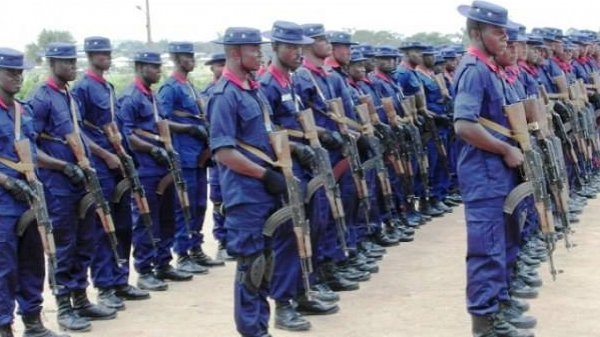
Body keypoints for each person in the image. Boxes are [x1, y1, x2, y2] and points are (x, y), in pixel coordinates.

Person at [454, 1, 533, 336]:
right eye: (497, 31)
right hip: (484, 173)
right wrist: (505, 148)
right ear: (476, 32)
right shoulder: (474, 69)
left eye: (504, 30)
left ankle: (500, 304)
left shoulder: (491, 68)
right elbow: (464, 125)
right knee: (487, 248)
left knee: (505, 242)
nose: (504, 37)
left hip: (500, 172)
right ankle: (484, 322)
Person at [30, 42, 117, 332]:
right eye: (65, 62)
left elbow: (78, 136)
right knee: (64, 244)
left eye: (73, 61)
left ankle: (80, 297)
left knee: (87, 239)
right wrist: (62, 166)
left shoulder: (68, 95)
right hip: (58, 185)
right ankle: (64, 305)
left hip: (81, 180)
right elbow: (30, 148)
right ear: (52, 63)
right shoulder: (41, 98)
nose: (72, 66)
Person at [260, 20, 340, 332]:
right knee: (289, 236)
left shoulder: (289, 80)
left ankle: (303, 290)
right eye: (291, 47)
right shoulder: (268, 83)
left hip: (304, 164)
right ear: (276, 48)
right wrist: (294, 147)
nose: (297, 52)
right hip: (285, 168)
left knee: (311, 228)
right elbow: (267, 132)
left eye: (298, 46)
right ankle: (282, 304)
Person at [208, 26, 282, 337]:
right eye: (253, 49)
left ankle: (261, 327)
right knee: (251, 267)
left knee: (265, 264)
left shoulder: (253, 90)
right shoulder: (224, 95)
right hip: (245, 195)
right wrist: (264, 174)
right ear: (236, 53)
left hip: (263, 192)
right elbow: (223, 152)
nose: (259, 54)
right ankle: (252, 331)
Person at [71, 36, 150, 312]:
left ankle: (120, 279)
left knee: (124, 224)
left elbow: (114, 126)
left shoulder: (107, 86)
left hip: (119, 162)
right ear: (90, 55)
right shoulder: (82, 88)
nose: (105, 56)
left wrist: (124, 158)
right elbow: (77, 130)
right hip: (101, 164)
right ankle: (105, 286)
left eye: (107, 52)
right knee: (104, 227)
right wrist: (104, 156)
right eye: (99, 53)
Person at [0, 47, 68, 337]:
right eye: (10, 72)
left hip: (29, 196)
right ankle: (4, 326)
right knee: (5, 266)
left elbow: (32, 150)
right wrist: (5, 180)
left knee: (33, 261)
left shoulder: (22, 110)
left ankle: (33, 321)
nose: (17, 77)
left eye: (20, 72)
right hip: (3, 201)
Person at [116, 50, 193, 293]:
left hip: (162, 165)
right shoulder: (131, 97)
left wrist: (166, 151)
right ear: (140, 66)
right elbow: (127, 135)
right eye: (153, 67)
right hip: (145, 167)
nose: (159, 71)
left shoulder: (152, 96)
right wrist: (153, 149)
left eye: (159, 66)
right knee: (146, 220)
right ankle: (145, 269)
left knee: (167, 216)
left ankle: (163, 262)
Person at [158, 42, 222, 274]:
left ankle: (196, 248)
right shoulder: (170, 87)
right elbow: (162, 121)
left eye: (192, 56)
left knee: (198, 204)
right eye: (186, 56)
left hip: (198, 155)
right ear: (176, 59)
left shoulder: (190, 86)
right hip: (183, 153)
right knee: (183, 205)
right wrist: (188, 130)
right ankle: (183, 253)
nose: (191, 60)